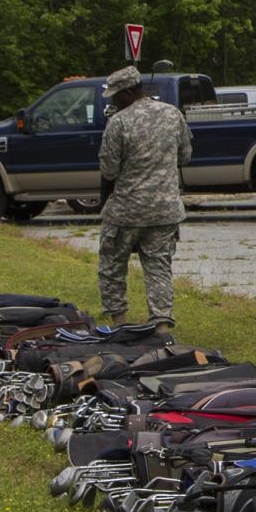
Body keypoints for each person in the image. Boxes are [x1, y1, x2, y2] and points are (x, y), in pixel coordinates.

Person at [95, 65, 193, 327]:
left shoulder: (119, 123)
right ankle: (162, 324)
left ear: (129, 92)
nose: (114, 100)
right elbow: (185, 156)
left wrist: (104, 201)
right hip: (165, 210)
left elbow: (109, 169)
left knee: (112, 266)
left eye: (117, 95)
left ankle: (119, 322)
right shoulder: (173, 115)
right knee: (159, 267)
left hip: (127, 210)